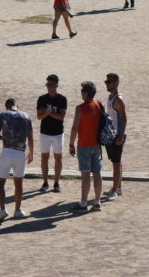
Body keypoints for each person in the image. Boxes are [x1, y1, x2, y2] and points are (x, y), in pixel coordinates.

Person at [0, 98, 34, 222]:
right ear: (17, 105)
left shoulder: (3, 115)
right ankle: (17, 210)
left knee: (0, 182)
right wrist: (31, 153)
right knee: (18, 182)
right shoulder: (26, 116)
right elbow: (30, 137)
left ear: (7, 106)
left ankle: (2, 210)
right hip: (20, 153)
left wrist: (3, 138)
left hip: (7, 151)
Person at [68, 81, 105, 210]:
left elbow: (74, 128)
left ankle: (83, 202)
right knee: (97, 173)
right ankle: (97, 201)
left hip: (84, 145)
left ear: (86, 93)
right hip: (96, 145)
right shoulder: (98, 105)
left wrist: (71, 144)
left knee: (85, 175)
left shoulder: (80, 108)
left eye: (82, 91)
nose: (81, 93)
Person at [36, 75, 67, 193]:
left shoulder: (62, 99)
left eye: (51, 85)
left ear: (56, 86)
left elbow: (61, 116)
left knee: (58, 158)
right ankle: (45, 182)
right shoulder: (42, 98)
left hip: (58, 133)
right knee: (44, 157)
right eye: (47, 85)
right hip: (44, 133)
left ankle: (56, 183)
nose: (49, 87)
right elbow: (39, 116)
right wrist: (47, 114)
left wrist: (48, 113)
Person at [104, 74, 127, 201]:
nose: (108, 84)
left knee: (116, 163)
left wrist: (120, 136)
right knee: (116, 162)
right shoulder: (111, 97)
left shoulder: (118, 100)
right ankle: (118, 187)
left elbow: (124, 119)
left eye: (110, 82)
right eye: (107, 82)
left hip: (117, 134)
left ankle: (114, 190)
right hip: (112, 134)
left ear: (117, 83)